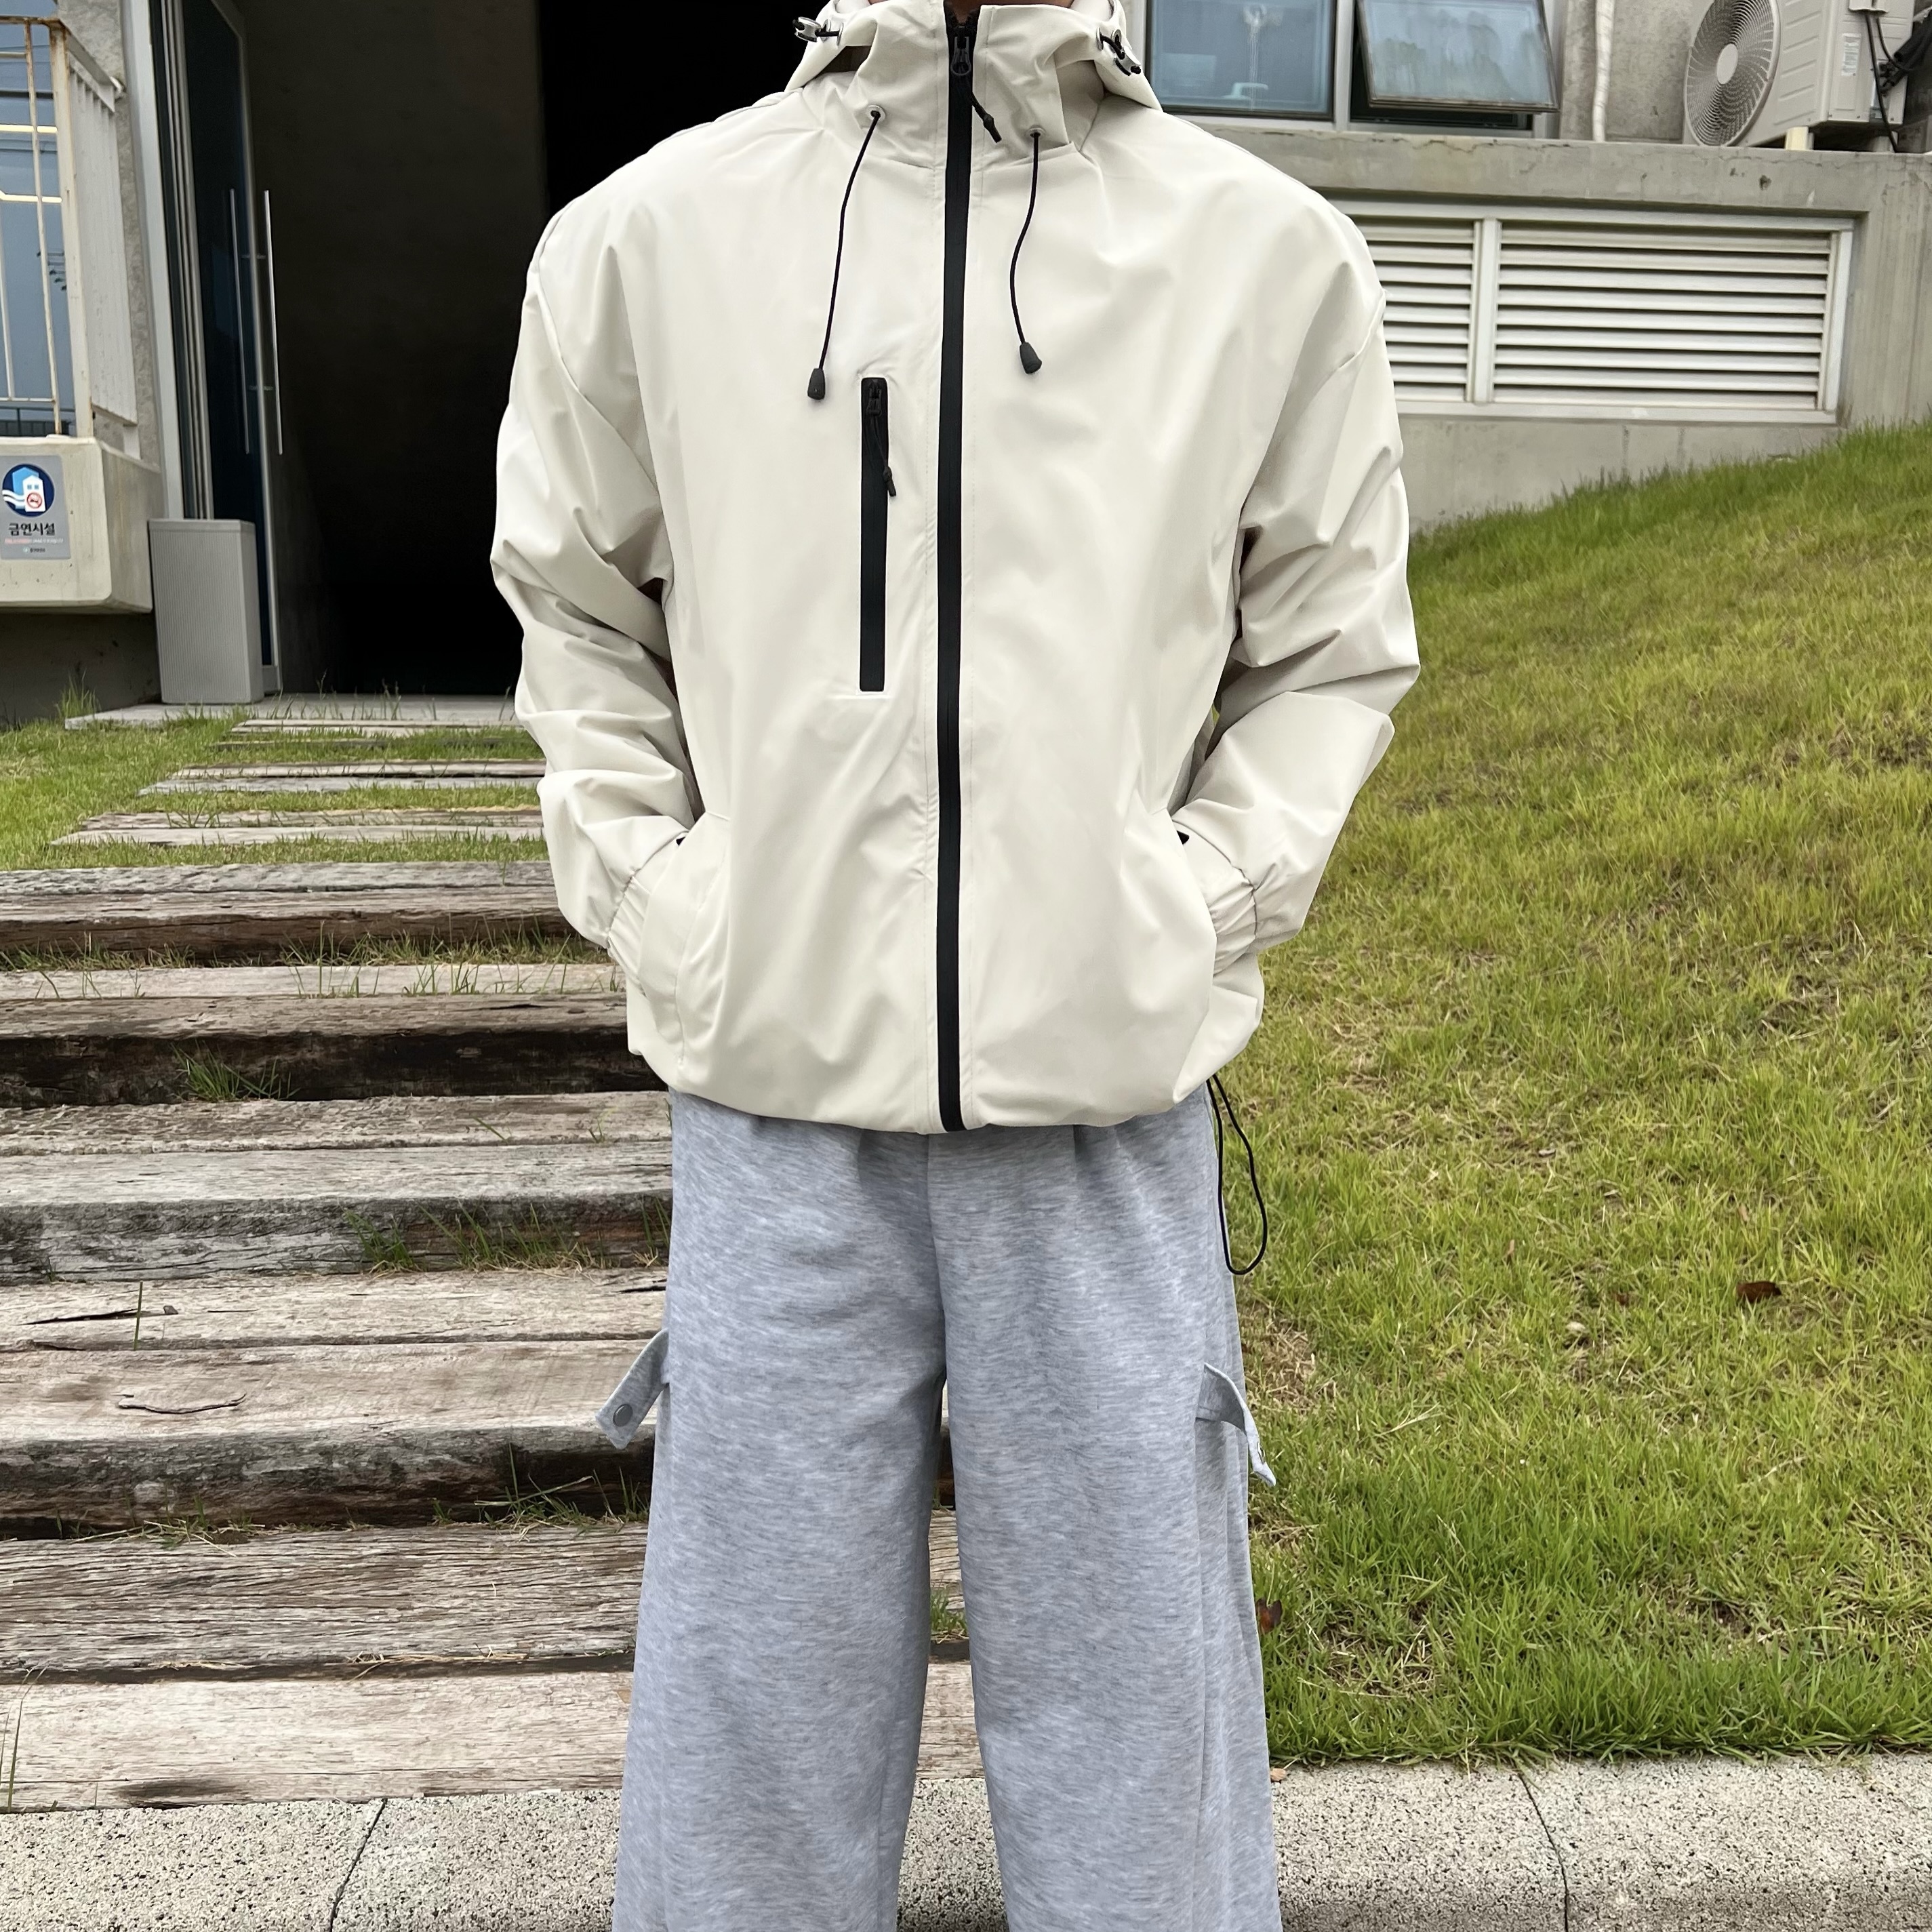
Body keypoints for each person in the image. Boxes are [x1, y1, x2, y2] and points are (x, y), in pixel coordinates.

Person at [492, 0, 1417, 1922]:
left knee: (1139, 1738)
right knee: (751, 1737)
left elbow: (1331, 645)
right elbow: (574, 607)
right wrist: (660, 887)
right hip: (778, 1108)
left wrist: (1198, 897)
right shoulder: (649, 238)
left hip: (1101, 1111)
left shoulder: (1262, 253)